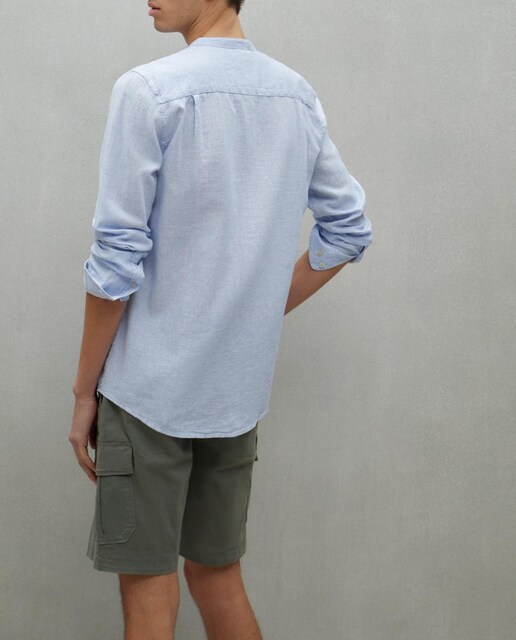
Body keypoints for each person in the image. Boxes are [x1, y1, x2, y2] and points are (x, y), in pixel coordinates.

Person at [68, 0, 373, 637]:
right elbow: (348, 228)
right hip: (234, 394)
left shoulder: (148, 90)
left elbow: (115, 261)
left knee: (149, 591)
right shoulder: (294, 95)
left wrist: (82, 392)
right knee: (217, 575)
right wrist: (248, 312)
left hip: (148, 391)